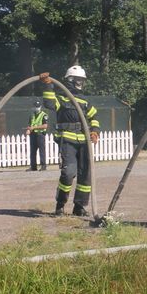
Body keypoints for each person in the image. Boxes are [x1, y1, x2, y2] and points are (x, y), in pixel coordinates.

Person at [40, 66, 100, 216]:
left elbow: (94, 118)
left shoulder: (85, 102)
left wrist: (94, 131)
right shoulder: (61, 98)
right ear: (71, 80)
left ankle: (79, 207)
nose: (81, 83)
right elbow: (48, 103)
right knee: (68, 173)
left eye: (82, 80)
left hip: (84, 143)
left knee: (85, 175)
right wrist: (48, 84)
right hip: (67, 142)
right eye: (79, 80)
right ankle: (60, 204)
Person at [25, 99, 49, 171]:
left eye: (38, 106)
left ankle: (43, 166)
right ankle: (33, 167)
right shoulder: (31, 115)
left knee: (41, 151)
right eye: (36, 106)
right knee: (32, 151)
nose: (37, 108)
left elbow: (45, 126)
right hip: (33, 135)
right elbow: (30, 125)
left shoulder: (44, 115)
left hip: (40, 134)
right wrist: (28, 130)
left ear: (40, 107)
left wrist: (34, 127)